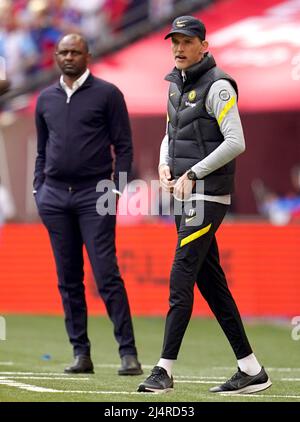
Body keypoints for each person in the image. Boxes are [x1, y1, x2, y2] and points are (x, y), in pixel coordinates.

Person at [138, 16, 271, 394]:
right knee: (211, 284)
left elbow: (236, 141)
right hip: (185, 195)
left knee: (180, 279)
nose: (178, 48)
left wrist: (193, 173)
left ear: (204, 45)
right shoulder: (174, 86)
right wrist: (165, 164)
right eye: (174, 42)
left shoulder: (219, 86)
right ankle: (251, 369)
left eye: (186, 41)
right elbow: (170, 133)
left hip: (206, 196)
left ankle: (163, 371)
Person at [33, 33, 142, 376]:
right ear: (56, 57)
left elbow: (124, 147)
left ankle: (129, 354)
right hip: (54, 197)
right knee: (68, 279)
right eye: (63, 52)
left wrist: (118, 191)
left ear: (87, 56)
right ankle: (81, 354)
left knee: (106, 274)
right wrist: (39, 189)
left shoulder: (108, 94)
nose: (68, 57)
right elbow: (41, 149)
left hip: (95, 195)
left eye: (75, 52)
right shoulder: (45, 99)